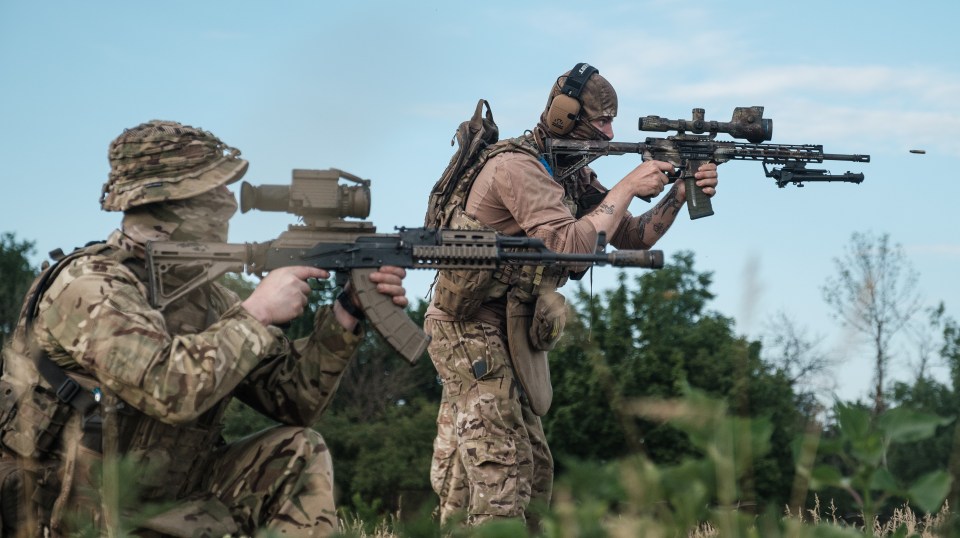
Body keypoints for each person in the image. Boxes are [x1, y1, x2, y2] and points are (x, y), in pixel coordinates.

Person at [0, 120, 408, 537]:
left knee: (297, 451)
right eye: (215, 188)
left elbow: (293, 401)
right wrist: (256, 314)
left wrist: (345, 314)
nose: (230, 201)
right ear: (174, 201)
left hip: (170, 500)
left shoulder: (211, 300)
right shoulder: (88, 286)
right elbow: (167, 387)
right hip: (76, 514)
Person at [424, 63, 719, 526]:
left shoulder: (566, 172)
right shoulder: (517, 168)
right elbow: (570, 251)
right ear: (564, 116)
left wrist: (679, 193)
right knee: (502, 476)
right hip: (470, 326)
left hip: (511, 328)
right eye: (601, 120)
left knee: (535, 473)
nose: (609, 131)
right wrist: (627, 186)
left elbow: (632, 235)